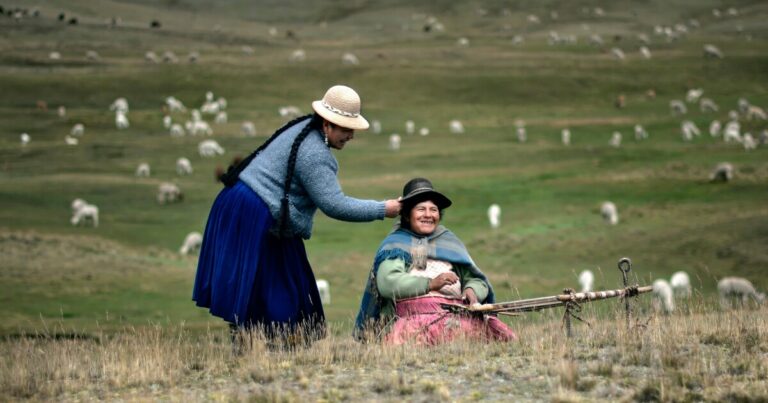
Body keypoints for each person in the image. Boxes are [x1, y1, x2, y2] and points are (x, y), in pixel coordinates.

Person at [193, 85, 401, 347]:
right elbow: (334, 205)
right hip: (256, 213)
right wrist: (385, 209)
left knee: (275, 284)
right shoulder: (314, 154)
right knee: (275, 289)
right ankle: (265, 350)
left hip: (251, 207)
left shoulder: (305, 128)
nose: (351, 136)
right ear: (327, 124)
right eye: (346, 129)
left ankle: (255, 347)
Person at [354, 178, 516, 345]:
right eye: (421, 209)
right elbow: (388, 283)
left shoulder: (449, 242)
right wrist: (431, 284)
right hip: (410, 320)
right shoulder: (395, 244)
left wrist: (471, 291)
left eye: (434, 210)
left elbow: (476, 279)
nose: (428, 215)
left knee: (491, 337)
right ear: (407, 215)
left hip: (457, 316)